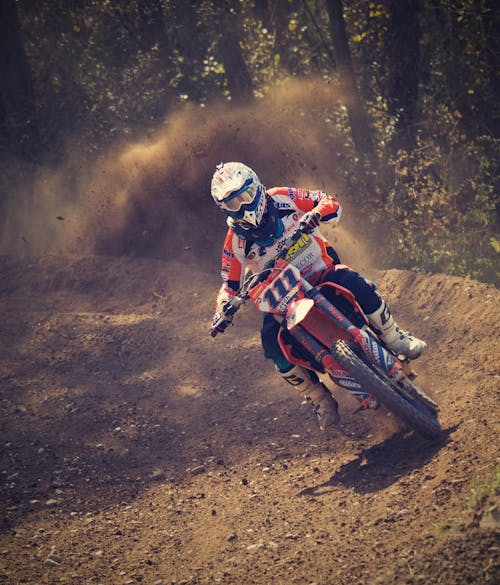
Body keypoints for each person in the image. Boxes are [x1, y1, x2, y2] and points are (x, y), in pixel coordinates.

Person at [210, 162, 427, 431]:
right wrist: (222, 309)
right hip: (283, 298)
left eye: (244, 197)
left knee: (352, 281)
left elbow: (326, 200)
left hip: (320, 272)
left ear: (256, 187)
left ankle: (396, 337)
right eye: (233, 204)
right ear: (225, 210)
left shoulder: (282, 197)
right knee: (271, 341)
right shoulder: (234, 241)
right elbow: (229, 285)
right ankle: (319, 399)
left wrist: (316, 214)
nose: (242, 207)